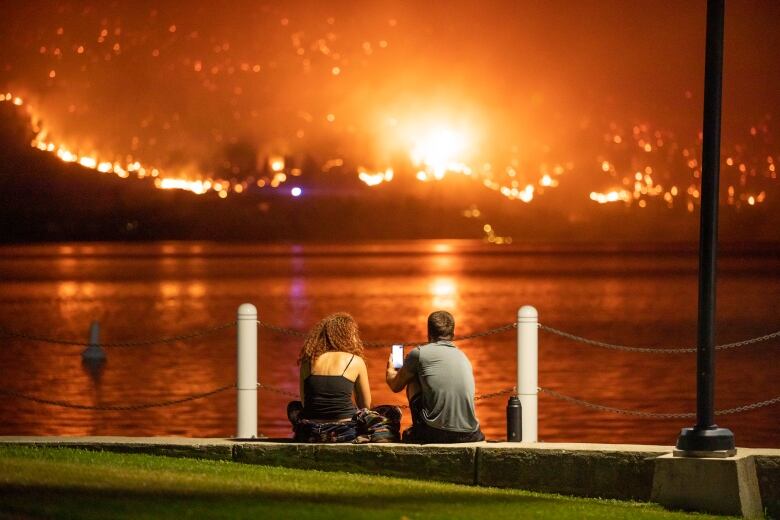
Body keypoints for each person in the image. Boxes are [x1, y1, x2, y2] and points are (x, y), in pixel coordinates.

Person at [287, 312, 400, 443]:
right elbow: (365, 405)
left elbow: (305, 403)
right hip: (344, 431)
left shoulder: (308, 361)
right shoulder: (355, 361)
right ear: (348, 336)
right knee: (392, 412)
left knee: (294, 407)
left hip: (310, 431)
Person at [385, 310, 484, 443]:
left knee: (413, 378)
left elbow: (395, 386)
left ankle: (418, 429)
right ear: (453, 334)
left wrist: (391, 370)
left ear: (428, 333)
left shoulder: (419, 354)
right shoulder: (463, 357)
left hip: (437, 434)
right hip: (472, 434)